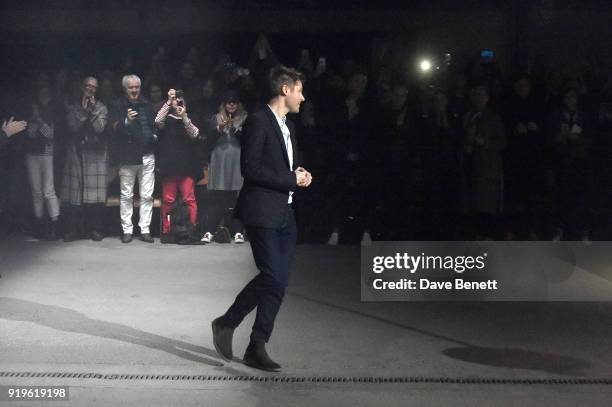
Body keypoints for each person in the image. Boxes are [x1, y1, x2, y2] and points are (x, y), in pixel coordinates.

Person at [212, 66, 312, 372]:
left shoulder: (288, 126)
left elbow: (287, 168)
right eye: (299, 90)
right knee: (272, 276)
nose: (303, 97)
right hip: (262, 212)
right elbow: (251, 169)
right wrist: (290, 178)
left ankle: (257, 345)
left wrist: (301, 175)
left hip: (286, 213)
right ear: (285, 90)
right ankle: (227, 322)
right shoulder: (258, 121)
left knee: (278, 283)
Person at [110, 74, 156, 243]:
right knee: (126, 195)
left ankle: (145, 230)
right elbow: (112, 128)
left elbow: (153, 125)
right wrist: (126, 121)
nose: (135, 90)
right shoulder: (117, 105)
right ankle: (127, 230)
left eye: (137, 87)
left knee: (147, 195)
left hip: (147, 155)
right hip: (127, 157)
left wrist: (154, 136)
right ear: (125, 89)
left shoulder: (147, 105)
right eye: (131, 87)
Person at [62, 77, 109, 241]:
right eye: (87, 86)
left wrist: (93, 108)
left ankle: (95, 229)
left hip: (95, 153)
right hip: (77, 151)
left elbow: (100, 128)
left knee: (95, 195)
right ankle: (73, 229)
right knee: (75, 194)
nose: (90, 90)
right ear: (82, 88)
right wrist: (83, 109)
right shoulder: (74, 105)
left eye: (93, 87)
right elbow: (73, 126)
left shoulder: (102, 107)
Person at [155, 88, 201, 243]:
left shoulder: (190, 117)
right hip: (169, 167)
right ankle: (167, 231)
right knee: (168, 200)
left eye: (181, 100)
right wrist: (168, 102)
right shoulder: (166, 119)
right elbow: (157, 121)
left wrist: (184, 117)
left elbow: (194, 134)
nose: (178, 103)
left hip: (187, 167)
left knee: (189, 199)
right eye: (176, 100)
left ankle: (191, 229)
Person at [201, 90, 247, 244]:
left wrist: (235, 128)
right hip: (219, 161)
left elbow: (249, 141)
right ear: (224, 104)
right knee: (216, 197)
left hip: (237, 161)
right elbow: (207, 141)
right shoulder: (216, 118)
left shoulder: (245, 118)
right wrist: (219, 129)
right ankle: (209, 231)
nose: (232, 105)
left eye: (234, 102)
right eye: (229, 102)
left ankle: (238, 232)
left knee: (236, 198)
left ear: (238, 104)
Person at [25, 85, 61, 239]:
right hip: (32, 154)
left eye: (46, 92)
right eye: (41, 92)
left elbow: (50, 135)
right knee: (36, 192)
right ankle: (40, 226)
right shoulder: (30, 113)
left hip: (47, 154)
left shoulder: (53, 112)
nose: (44, 95)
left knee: (49, 191)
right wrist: (34, 120)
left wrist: (39, 120)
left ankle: (54, 226)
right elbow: (30, 135)